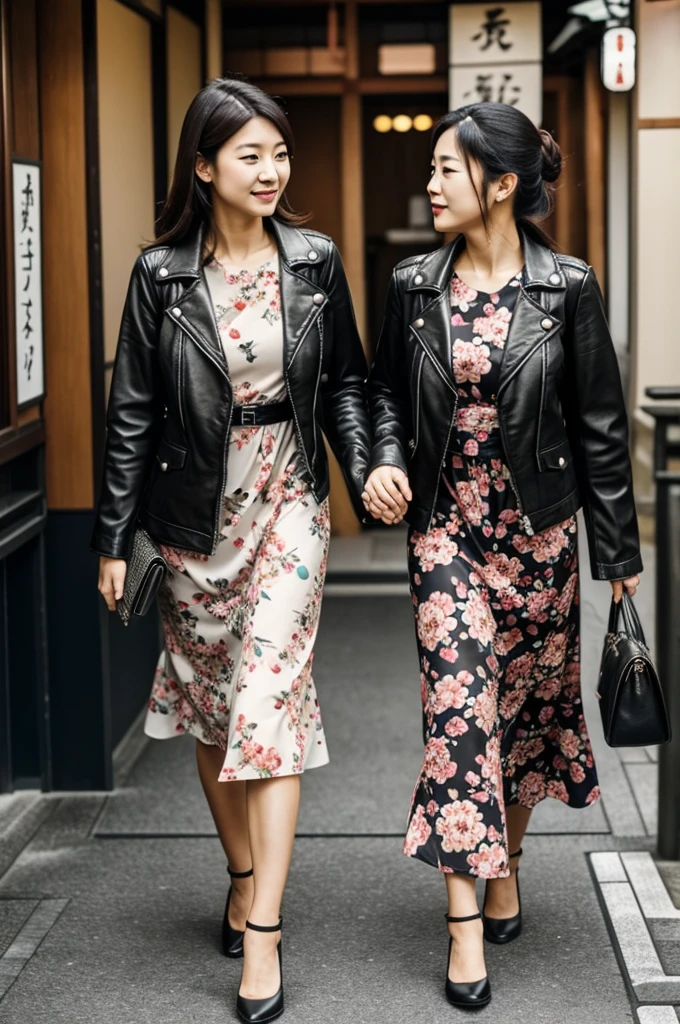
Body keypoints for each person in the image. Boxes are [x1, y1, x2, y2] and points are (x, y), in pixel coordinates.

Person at [92, 76, 370, 1024]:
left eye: (279, 152)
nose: (270, 170)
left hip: (288, 499)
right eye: (249, 154)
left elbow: (346, 383)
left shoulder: (315, 262)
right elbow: (131, 408)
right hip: (193, 514)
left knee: (267, 705)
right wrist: (114, 534)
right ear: (204, 167)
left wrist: (364, 466)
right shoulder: (161, 275)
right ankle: (243, 874)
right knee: (212, 711)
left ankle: (265, 937)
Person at [362, 102, 641, 1011]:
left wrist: (618, 554)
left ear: (503, 184)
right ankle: (463, 929)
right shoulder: (411, 284)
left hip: (540, 532)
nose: (431, 182)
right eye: (435, 167)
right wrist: (384, 461)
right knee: (459, 711)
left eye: (449, 169)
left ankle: (507, 859)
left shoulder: (566, 287)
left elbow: (600, 424)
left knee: (523, 714)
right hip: (445, 526)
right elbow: (378, 395)